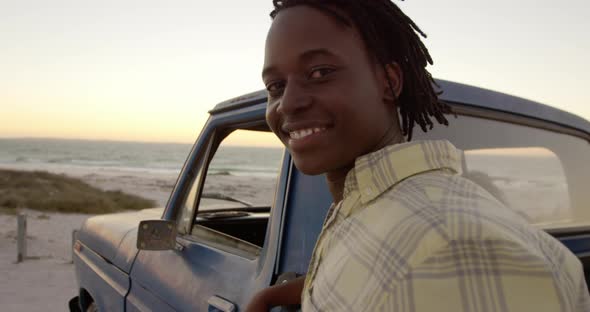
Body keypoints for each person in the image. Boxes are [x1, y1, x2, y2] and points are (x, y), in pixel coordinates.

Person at [247, 0, 590, 311]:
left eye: (320, 72)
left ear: (389, 82)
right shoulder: (370, 209)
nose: (288, 103)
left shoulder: (456, 252)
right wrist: (272, 295)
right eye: (276, 86)